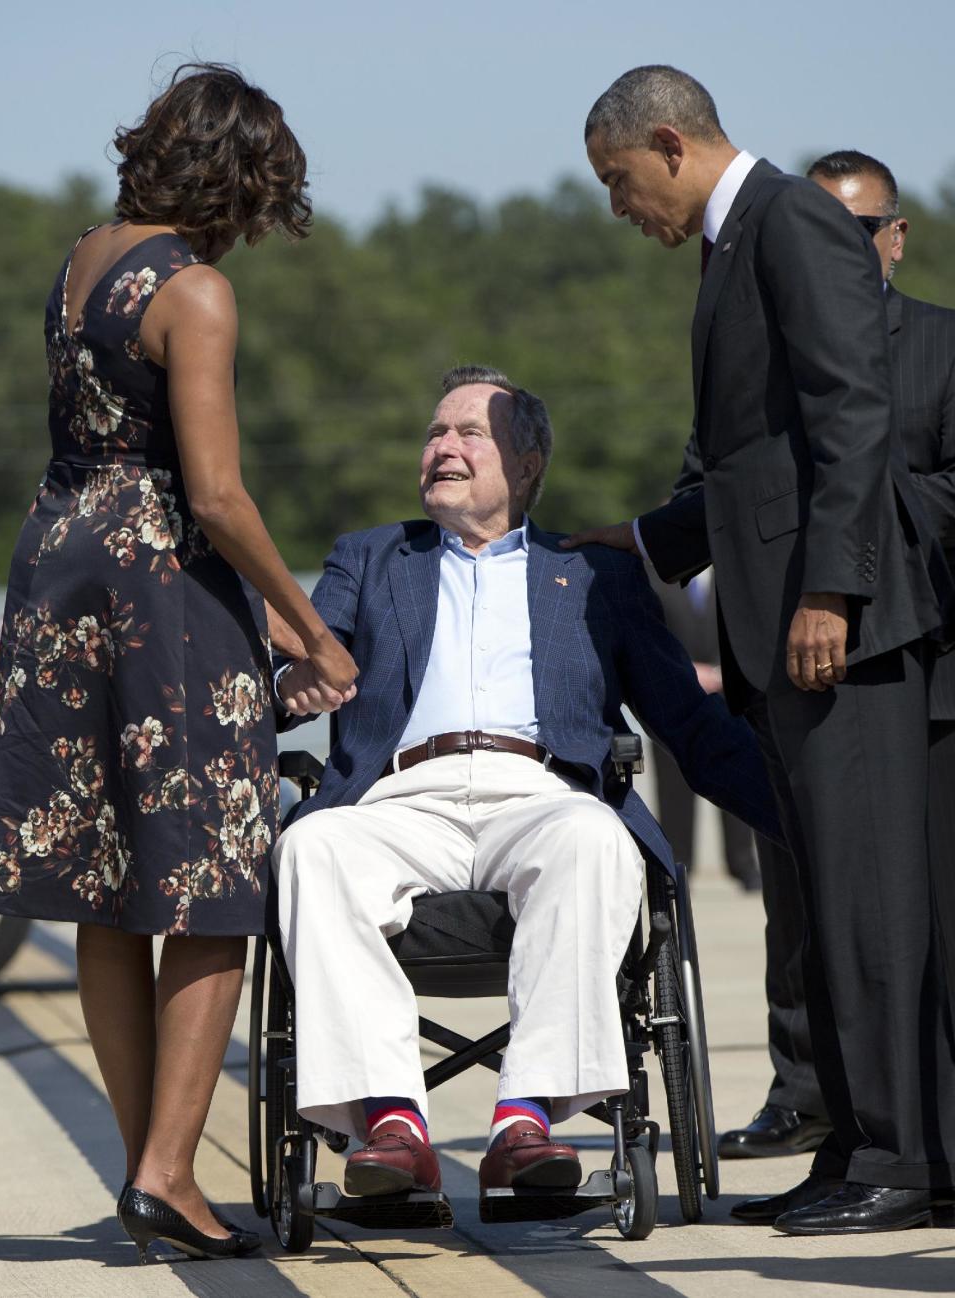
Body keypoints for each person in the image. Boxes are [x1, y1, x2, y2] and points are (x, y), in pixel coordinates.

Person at [571, 65, 955, 1233]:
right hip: (780, 631)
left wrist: (832, 589)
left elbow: (850, 414)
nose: (618, 205)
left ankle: (904, 1158)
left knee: (870, 902)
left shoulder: (790, 218)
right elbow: (754, 462)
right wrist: (639, 538)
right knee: (826, 902)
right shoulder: (734, 246)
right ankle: (856, 1143)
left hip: (839, 628)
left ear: (673, 144)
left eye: (619, 179)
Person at [0, 64, 357, 1263]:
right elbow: (215, 492)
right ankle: (167, 1173)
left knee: (102, 884)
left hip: (57, 566)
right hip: (158, 587)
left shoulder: (85, 255)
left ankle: (146, 1163)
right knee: (209, 880)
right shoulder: (194, 291)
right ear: (241, 177)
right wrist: (307, 624)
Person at [272, 365, 780, 1198]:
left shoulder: (593, 574)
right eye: (435, 432)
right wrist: (292, 684)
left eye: (470, 433)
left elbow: (689, 726)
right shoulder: (370, 557)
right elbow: (307, 659)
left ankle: (525, 1120)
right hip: (402, 797)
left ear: (529, 463)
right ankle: (393, 1123)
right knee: (311, 846)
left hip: (539, 793)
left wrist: (805, 817)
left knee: (594, 836)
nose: (444, 446)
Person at [721, 149, 955, 1162]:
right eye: (819, 231)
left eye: (857, 232)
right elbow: (720, 486)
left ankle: (919, 1144)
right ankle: (821, 1111)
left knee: (914, 926)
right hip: (803, 675)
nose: (838, 250)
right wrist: (640, 542)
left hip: (921, 666)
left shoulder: (943, 347)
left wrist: (850, 525)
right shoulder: (771, 353)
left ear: (894, 239)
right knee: (810, 919)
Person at [648, 568, 761, 891]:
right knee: (673, 787)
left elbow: (751, 628)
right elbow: (649, 630)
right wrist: (684, 670)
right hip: (674, 696)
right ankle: (680, 865)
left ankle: (742, 865)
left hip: (733, 695)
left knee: (740, 776)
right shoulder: (656, 576)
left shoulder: (735, 573)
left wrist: (722, 672)